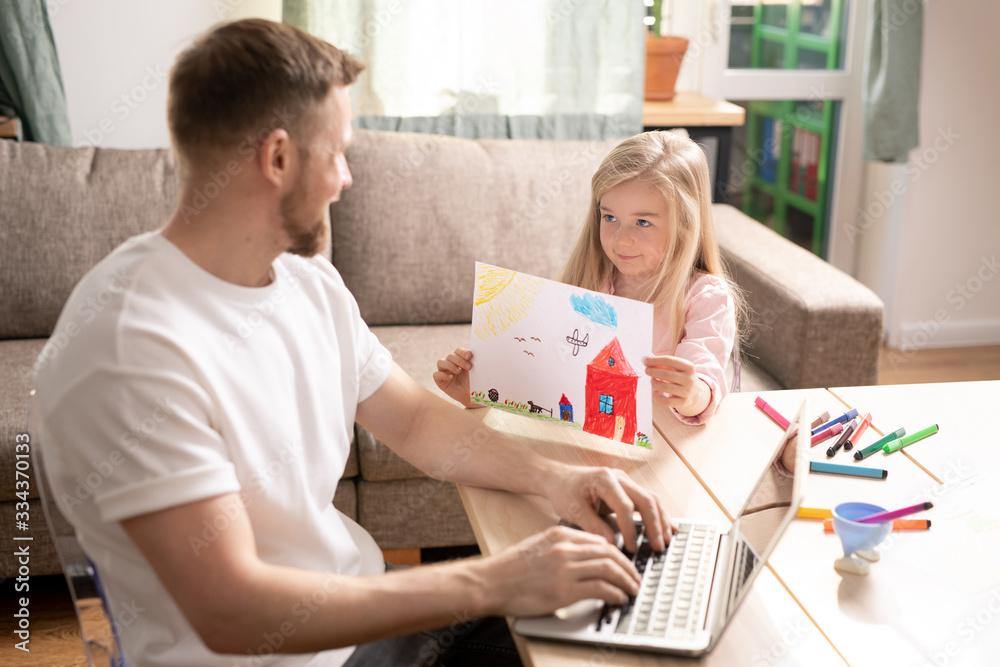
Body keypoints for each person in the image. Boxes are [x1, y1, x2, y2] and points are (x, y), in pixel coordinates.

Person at [29, 19, 673, 667]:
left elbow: (417, 420)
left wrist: (557, 479)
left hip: (358, 616)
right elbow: (230, 609)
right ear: (277, 157)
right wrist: (494, 581)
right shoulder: (128, 346)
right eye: (336, 153)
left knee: (622, 637)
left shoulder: (306, 282)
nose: (346, 179)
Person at [435, 131, 744, 426]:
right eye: (610, 218)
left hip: (660, 454)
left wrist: (691, 394)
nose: (622, 240)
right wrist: (477, 391)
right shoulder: (588, 281)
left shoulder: (705, 297)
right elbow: (542, 377)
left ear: (685, 225)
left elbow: (706, 380)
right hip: (583, 446)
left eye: (643, 222)